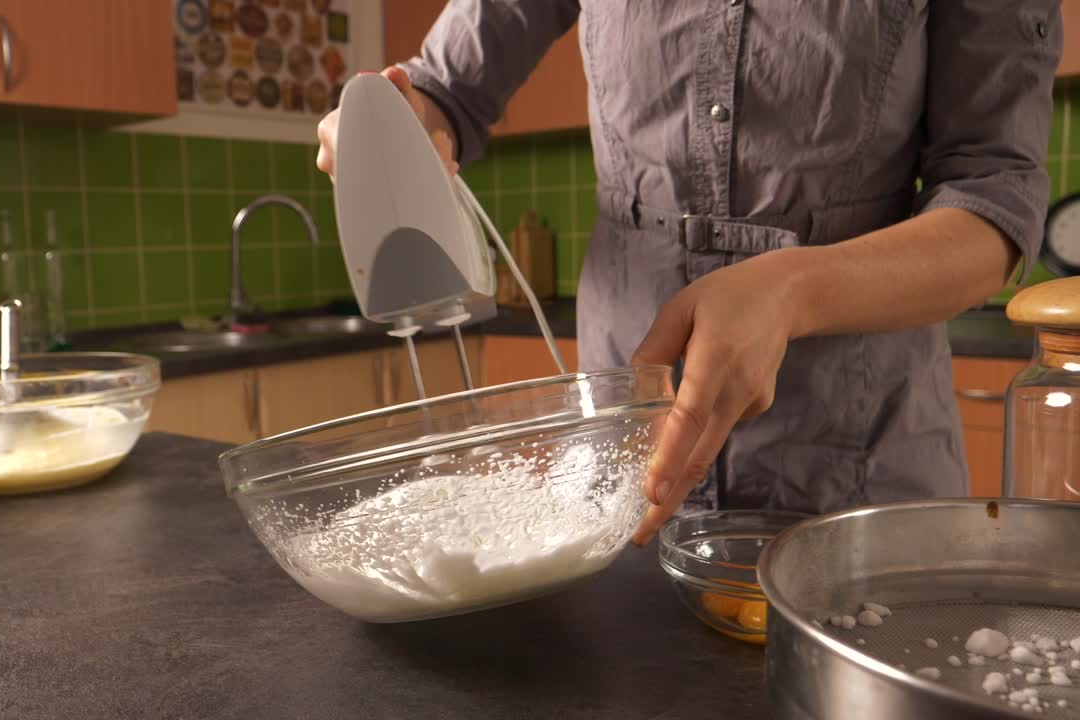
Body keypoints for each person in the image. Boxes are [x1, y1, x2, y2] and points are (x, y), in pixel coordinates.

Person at [315, 2, 1062, 544]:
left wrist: (793, 288)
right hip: (621, 469)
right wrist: (396, 122)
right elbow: (444, 91)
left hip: (860, 474)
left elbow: (993, 207)